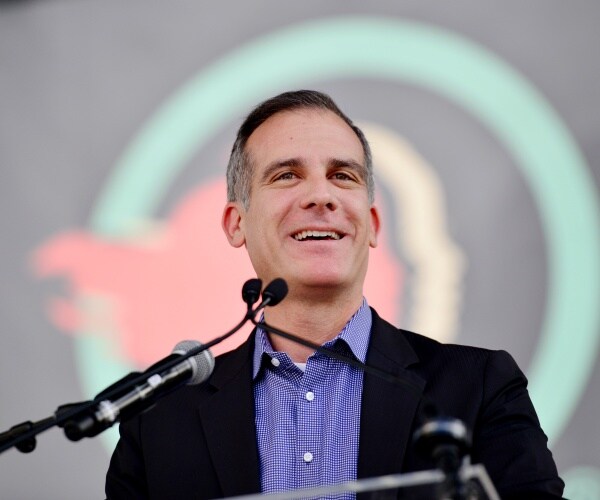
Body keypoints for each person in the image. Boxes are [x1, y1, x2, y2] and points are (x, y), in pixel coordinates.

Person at [105, 90, 564, 499]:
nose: (321, 196)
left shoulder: (481, 388)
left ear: (372, 225)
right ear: (236, 223)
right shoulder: (159, 421)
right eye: (286, 175)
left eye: (343, 176)